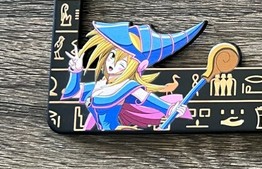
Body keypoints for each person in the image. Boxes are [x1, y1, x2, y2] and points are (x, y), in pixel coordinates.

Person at [62, 19, 205, 131]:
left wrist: (171, 109)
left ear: (135, 67)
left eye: (122, 64)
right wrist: (75, 71)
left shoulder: (128, 85)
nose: (112, 64)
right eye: (112, 56)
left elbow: (145, 97)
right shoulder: (99, 84)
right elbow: (72, 93)